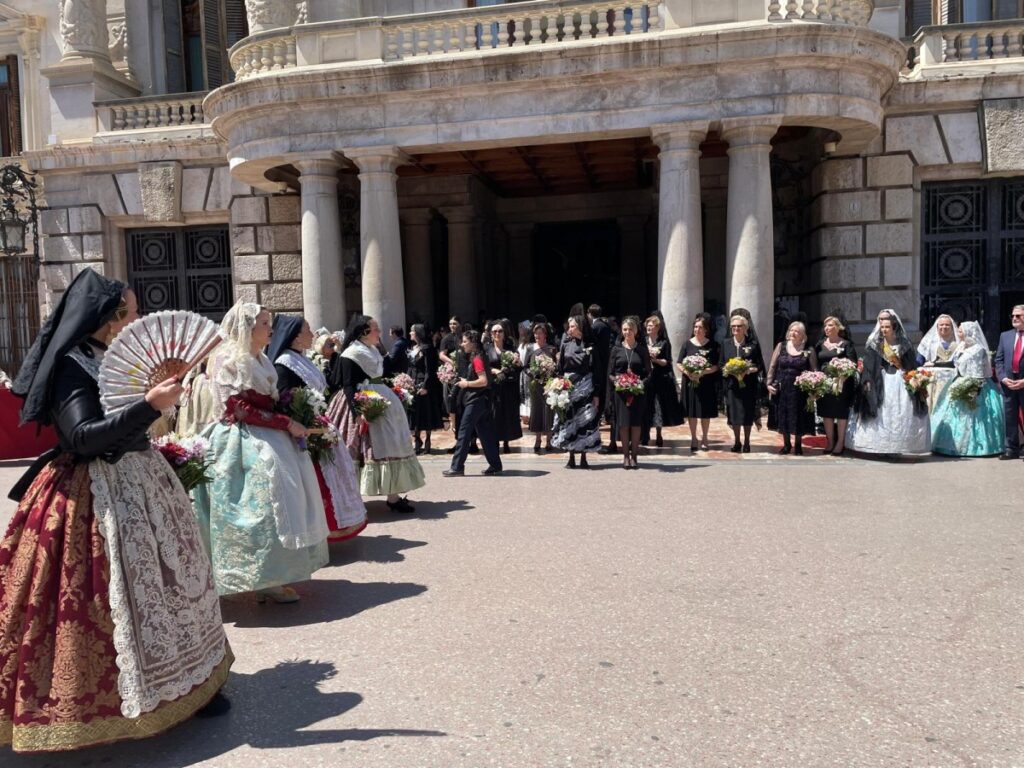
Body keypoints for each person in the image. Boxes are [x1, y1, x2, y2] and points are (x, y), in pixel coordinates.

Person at [1, 269, 231, 753]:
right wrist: (149, 405)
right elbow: (82, 438)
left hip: (143, 480)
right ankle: (98, 703)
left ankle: (192, 683)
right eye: (133, 311)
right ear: (111, 318)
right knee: (105, 596)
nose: (139, 319)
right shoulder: (71, 365)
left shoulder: (107, 358)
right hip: (95, 493)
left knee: (173, 582)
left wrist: (156, 407)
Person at [192, 302, 328, 603]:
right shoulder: (228, 359)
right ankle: (252, 575)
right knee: (259, 502)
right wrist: (286, 422)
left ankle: (273, 576)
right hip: (238, 438)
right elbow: (238, 409)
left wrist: (295, 414)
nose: (271, 329)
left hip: (270, 434)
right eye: (264, 324)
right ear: (247, 328)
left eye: (269, 323)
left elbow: (269, 401)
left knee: (285, 497)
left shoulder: (262, 359)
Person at [268, 315, 367, 543]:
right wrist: (305, 419)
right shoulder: (284, 363)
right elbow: (284, 398)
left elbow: (328, 385)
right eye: (308, 330)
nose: (312, 334)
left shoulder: (300, 358)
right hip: (303, 432)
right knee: (315, 484)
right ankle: (315, 534)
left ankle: (327, 530)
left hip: (318, 424)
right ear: (295, 337)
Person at [327, 315, 426, 512]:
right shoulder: (351, 353)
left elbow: (382, 373)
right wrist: (358, 412)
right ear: (364, 332)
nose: (379, 332)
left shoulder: (372, 350)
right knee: (356, 449)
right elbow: (348, 385)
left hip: (380, 400)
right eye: (375, 329)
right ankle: (352, 499)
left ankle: (393, 497)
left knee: (391, 445)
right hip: (360, 402)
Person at [845, 309, 931, 456]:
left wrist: (914, 378)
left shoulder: (904, 344)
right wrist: (868, 380)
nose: (884, 330)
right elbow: (869, 365)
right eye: (882, 327)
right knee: (882, 413)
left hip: (900, 381)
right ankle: (880, 447)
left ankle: (897, 447)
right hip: (881, 381)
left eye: (887, 327)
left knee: (899, 413)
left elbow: (911, 364)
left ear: (894, 327)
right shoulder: (875, 344)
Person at [931, 321, 1004, 456]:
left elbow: (978, 372)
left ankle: (975, 447)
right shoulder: (962, 346)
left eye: (960, 331)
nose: (958, 333)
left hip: (976, 384)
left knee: (975, 416)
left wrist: (973, 388)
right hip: (960, 380)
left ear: (969, 332)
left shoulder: (978, 349)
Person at [442, 330, 503, 476]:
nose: (462, 344)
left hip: (475, 401)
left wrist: (467, 384)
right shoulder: (480, 356)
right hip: (482, 401)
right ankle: (495, 465)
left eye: (465, 341)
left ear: (473, 343)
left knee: (464, 433)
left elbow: (483, 381)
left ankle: (457, 467)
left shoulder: (477, 358)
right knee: (485, 434)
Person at [552, 314, 601, 468]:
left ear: (580, 327)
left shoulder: (590, 345)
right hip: (568, 386)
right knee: (569, 420)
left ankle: (584, 456)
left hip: (586, 387)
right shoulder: (565, 344)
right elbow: (560, 368)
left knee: (585, 420)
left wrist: (597, 394)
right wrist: (558, 386)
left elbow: (597, 370)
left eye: (573, 326)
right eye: (569, 326)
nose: (570, 329)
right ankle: (571, 456)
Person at [766, 321, 818, 455]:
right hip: (782, 386)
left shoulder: (808, 349)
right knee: (783, 415)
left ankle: (798, 445)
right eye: (791, 330)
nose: (793, 333)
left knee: (798, 415)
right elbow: (773, 366)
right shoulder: (781, 346)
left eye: (797, 331)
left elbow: (814, 370)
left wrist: (814, 388)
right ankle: (787, 444)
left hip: (800, 389)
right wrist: (769, 383)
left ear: (803, 335)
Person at [608, 316, 652, 469]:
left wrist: (639, 384)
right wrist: (618, 382)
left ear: (636, 331)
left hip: (637, 393)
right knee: (624, 424)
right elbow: (610, 373)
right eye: (625, 329)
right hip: (621, 393)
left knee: (635, 424)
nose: (627, 332)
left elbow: (648, 373)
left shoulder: (642, 350)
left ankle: (634, 456)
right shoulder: (616, 349)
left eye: (630, 329)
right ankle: (626, 456)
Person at [814, 315, 859, 456]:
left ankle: (840, 442)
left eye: (830, 325)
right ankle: (830, 441)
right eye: (825, 326)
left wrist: (843, 374)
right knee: (826, 412)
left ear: (838, 328)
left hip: (842, 384)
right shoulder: (820, 344)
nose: (827, 328)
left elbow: (853, 363)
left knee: (840, 413)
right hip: (825, 383)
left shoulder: (846, 344)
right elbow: (815, 363)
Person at [678, 312, 720, 453]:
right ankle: (694, 438)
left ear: (706, 329)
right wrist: (688, 372)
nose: (697, 330)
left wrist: (702, 372)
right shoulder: (687, 344)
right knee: (692, 412)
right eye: (695, 327)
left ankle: (705, 438)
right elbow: (679, 363)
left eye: (700, 327)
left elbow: (717, 365)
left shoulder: (713, 345)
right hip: (690, 382)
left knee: (704, 412)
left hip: (706, 383)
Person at [721, 314, 763, 453]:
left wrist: (748, 370)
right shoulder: (725, 343)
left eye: (739, 326)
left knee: (747, 414)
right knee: (734, 415)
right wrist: (729, 370)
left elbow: (759, 365)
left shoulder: (753, 345)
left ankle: (747, 442)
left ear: (745, 328)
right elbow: (721, 364)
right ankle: (737, 441)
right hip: (732, 386)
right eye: (733, 326)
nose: (736, 328)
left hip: (748, 386)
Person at [484, 321, 523, 453]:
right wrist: (494, 371)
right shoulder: (487, 349)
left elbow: (519, 367)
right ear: (491, 334)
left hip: (508, 386)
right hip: (494, 387)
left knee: (507, 413)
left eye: (500, 331)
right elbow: (483, 367)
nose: (497, 334)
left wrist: (516, 362)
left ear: (504, 334)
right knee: (494, 414)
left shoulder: (511, 349)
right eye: (494, 331)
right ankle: (495, 440)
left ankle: (506, 441)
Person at [993, 304, 1024, 460]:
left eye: (1018, 315)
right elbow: (998, 360)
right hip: (1009, 384)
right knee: (1009, 417)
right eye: (1013, 316)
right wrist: (1003, 378)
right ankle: (1011, 449)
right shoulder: (1005, 336)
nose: (1014, 318)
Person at [917, 314, 961, 425]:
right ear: (937, 327)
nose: (944, 327)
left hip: (952, 379)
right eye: (941, 325)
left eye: (947, 325)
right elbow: (919, 361)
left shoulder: (959, 343)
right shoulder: (928, 342)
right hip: (933, 382)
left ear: (952, 327)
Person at [408, 323, 444, 454]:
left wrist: (425, 387)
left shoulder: (427, 348)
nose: (410, 333)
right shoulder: (414, 348)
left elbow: (430, 370)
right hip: (413, 383)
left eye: (412, 331)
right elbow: (410, 367)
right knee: (415, 413)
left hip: (424, 384)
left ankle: (428, 441)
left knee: (426, 413)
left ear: (418, 333)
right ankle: (417, 440)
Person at [524, 321, 558, 453]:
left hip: (549, 385)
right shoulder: (530, 348)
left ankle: (549, 440)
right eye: (535, 333)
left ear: (545, 334)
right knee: (537, 411)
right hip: (535, 385)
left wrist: (550, 372)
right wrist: (534, 373)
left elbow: (557, 367)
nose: (537, 335)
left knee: (549, 411)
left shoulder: (552, 349)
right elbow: (525, 367)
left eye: (540, 333)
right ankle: (538, 439)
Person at [588, 304, 612, 454]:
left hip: (598, 365)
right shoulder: (605, 326)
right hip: (604, 364)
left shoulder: (595, 327)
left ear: (589, 313)